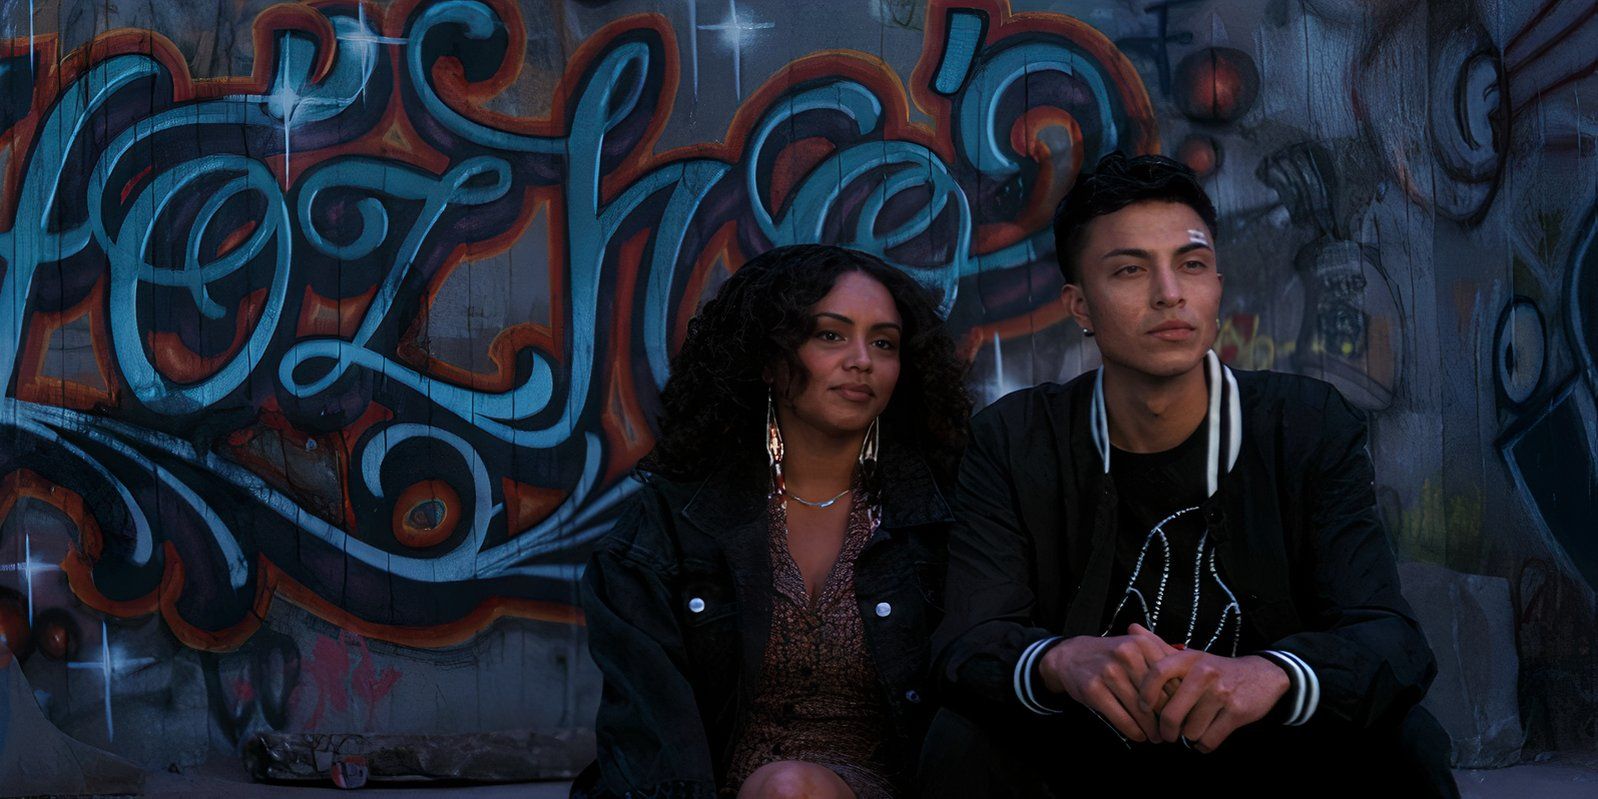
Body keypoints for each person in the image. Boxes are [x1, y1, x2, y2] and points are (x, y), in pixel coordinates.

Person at [921, 152, 1458, 796]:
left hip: (1266, 751)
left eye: (1191, 264)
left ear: (1217, 289)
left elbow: (1389, 637)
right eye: (1128, 270)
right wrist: (1062, 659)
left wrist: (1272, 674)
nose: (1169, 293)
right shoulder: (1015, 439)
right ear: (1080, 306)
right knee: (961, 743)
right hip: (1087, 753)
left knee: (1407, 742)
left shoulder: (1304, 424)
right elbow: (966, 643)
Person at [574, 244, 971, 798]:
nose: (861, 359)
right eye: (829, 335)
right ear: (767, 357)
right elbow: (650, 722)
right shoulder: (671, 523)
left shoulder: (940, 520)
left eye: (883, 342)